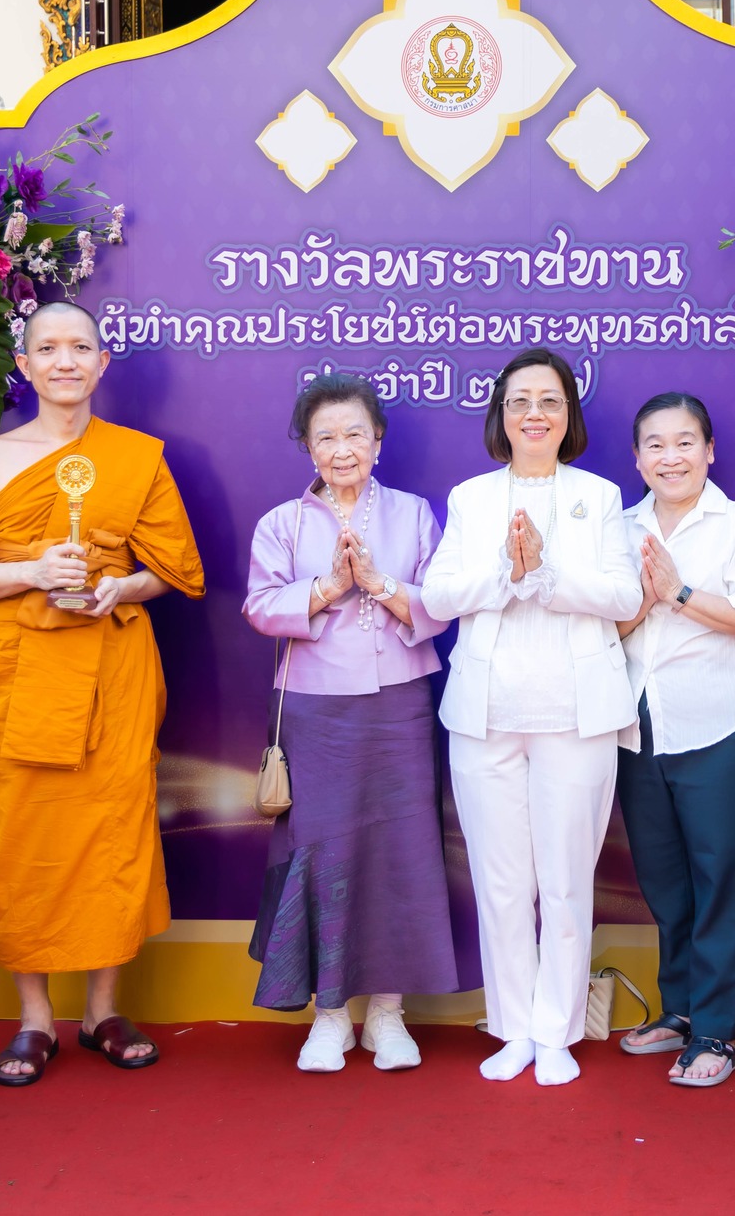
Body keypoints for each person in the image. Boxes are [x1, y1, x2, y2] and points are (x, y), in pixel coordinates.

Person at [0, 299, 206, 1086]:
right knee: (24, 831)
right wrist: (28, 570)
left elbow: (175, 571)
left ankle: (103, 1010)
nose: (64, 360)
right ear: (23, 365)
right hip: (28, 670)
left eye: (79, 347)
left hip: (115, 667)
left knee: (115, 827)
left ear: (101, 362)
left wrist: (120, 587)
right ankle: (33, 1019)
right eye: (47, 348)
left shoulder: (136, 457)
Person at [419, 348, 642, 1087]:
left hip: (576, 715)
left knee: (567, 879)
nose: (535, 413)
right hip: (486, 716)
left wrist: (546, 573)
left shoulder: (600, 495)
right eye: (520, 401)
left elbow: (620, 595)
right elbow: (440, 595)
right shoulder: (472, 497)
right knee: (503, 882)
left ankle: (556, 1031)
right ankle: (512, 1026)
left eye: (549, 399)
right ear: (501, 415)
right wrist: (508, 574)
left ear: (569, 414)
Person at [242, 373, 465, 1073]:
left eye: (355, 435)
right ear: (308, 448)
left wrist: (379, 584)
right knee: (324, 849)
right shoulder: (282, 522)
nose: (342, 449)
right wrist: (330, 588)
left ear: (379, 441)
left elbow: (441, 604)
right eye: (326, 437)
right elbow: (258, 606)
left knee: (401, 848)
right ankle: (330, 1014)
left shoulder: (413, 513)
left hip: (400, 704)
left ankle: (390, 1014)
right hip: (315, 710)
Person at [611, 393, 735, 1087]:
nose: (671, 457)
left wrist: (682, 594)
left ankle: (719, 1032)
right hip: (637, 724)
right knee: (665, 880)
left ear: (710, 450)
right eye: (655, 445)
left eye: (685, 442)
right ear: (637, 458)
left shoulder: (734, 525)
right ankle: (682, 1009)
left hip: (719, 722)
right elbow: (603, 626)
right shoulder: (618, 526)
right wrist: (643, 599)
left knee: (723, 878)